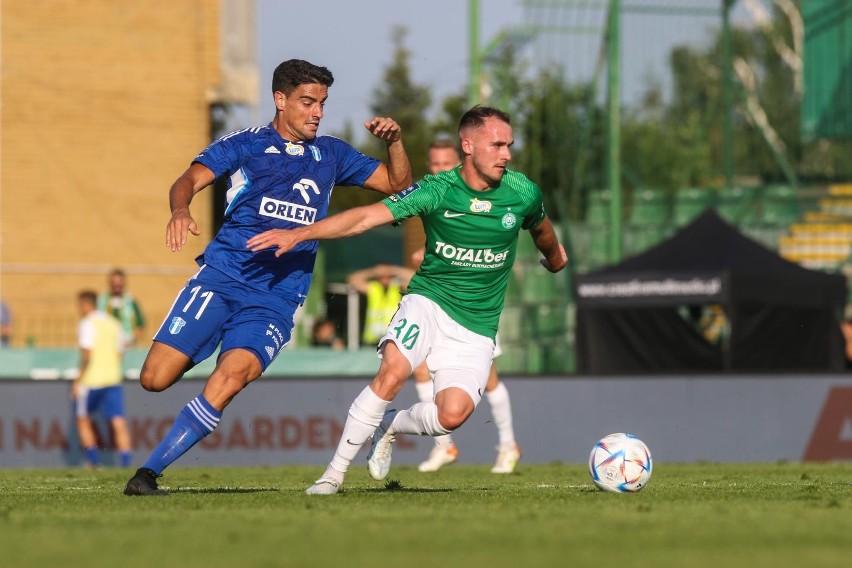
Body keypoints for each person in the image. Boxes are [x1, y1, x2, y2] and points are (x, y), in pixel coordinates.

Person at [123, 59, 411, 496]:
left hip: (276, 298)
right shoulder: (246, 145)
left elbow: (396, 183)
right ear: (280, 100)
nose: (317, 112)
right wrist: (180, 210)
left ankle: (147, 475)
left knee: (232, 376)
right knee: (155, 379)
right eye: (307, 102)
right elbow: (188, 179)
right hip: (220, 279)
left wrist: (394, 143)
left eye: (323, 104)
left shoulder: (330, 154)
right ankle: (202, 341)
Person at [245, 106, 566, 495]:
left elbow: (543, 231)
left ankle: (391, 426)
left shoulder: (522, 192)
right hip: (428, 301)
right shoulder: (436, 190)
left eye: (509, 146)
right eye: (497, 145)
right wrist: (299, 234)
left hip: (477, 325)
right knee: (393, 371)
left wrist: (555, 258)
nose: (507, 154)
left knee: (452, 416)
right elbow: (364, 218)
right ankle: (332, 476)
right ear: (469, 145)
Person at [414, 140, 520, 474]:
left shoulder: (480, 195)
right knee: (418, 366)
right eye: (434, 163)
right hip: (438, 301)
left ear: (460, 160)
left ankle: (508, 445)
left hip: (474, 305)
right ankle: (444, 446)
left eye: (446, 162)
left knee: (488, 378)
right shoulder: (432, 195)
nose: (440, 168)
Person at [73, 290, 133, 468]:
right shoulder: (114, 323)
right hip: (113, 378)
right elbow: (120, 351)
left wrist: (78, 380)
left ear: (85, 304)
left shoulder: (87, 324)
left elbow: (87, 354)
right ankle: (126, 464)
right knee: (118, 421)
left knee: (83, 419)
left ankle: (93, 462)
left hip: (91, 380)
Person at [347, 263, 414, 345]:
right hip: (372, 341)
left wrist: (393, 270)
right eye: (381, 275)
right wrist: (373, 271)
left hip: (392, 339)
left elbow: (414, 278)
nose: (384, 278)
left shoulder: (397, 287)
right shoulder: (373, 288)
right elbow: (352, 279)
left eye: (386, 275)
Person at [97, 268, 146, 348]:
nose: (117, 285)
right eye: (114, 282)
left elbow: (140, 325)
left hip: (126, 346)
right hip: (106, 346)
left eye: (119, 282)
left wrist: (131, 340)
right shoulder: (101, 301)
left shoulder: (131, 302)